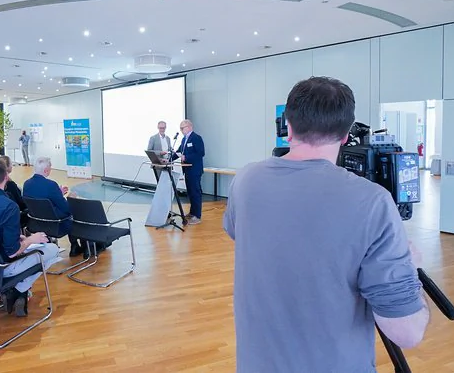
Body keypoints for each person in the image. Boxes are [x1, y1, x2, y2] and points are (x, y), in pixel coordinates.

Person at [222, 76, 429, 372]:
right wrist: (408, 267)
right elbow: (407, 332)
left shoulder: (245, 180)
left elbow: (241, 233)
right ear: (345, 135)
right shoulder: (372, 201)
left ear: (287, 127)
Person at [0, 158, 60, 317]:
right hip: (2, 266)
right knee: (52, 249)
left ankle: (17, 292)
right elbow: (12, 252)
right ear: (6, 177)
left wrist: (19, 238)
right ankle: (18, 289)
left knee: (33, 248)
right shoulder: (8, 206)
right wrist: (31, 239)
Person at [22, 157, 85, 257]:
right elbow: (66, 208)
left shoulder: (27, 184)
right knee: (74, 212)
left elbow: (41, 199)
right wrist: (70, 198)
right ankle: (76, 246)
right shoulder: (51, 185)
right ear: (46, 170)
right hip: (55, 224)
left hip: (36, 222)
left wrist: (58, 194)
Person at [173, 119, 205, 224]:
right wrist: (168, 159)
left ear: (190, 127)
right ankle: (192, 213)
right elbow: (179, 152)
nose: (181, 130)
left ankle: (197, 216)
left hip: (194, 170)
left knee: (195, 192)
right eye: (180, 128)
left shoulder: (196, 138)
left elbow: (200, 153)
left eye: (183, 128)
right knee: (190, 193)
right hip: (187, 170)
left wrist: (186, 157)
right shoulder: (184, 139)